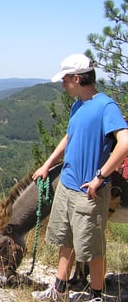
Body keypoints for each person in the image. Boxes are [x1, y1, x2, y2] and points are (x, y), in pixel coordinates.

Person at [31, 54, 128, 302]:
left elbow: (125, 143)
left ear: (77, 78)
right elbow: (69, 137)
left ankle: (96, 296)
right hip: (68, 184)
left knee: (93, 247)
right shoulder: (78, 105)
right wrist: (47, 164)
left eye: (65, 79)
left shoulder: (106, 107)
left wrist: (100, 177)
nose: (63, 84)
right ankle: (59, 289)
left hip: (89, 190)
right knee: (66, 240)